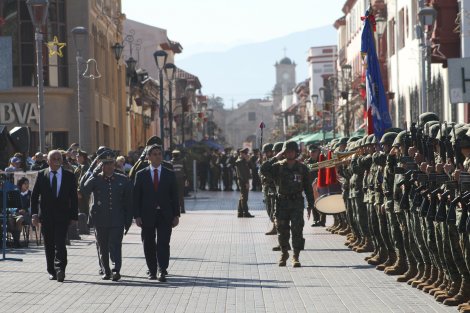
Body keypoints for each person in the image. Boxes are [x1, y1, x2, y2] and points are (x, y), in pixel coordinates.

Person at [79, 151, 133, 281]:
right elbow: (83, 190)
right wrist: (92, 171)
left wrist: (128, 220)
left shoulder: (122, 179)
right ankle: (106, 270)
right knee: (102, 246)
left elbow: (128, 202)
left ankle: (116, 269)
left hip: (117, 219)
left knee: (115, 244)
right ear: (101, 165)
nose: (109, 166)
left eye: (111, 163)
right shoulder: (96, 179)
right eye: (106, 164)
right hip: (100, 219)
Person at [260, 141, 314, 267]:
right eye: (287, 151)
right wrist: (276, 157)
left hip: (296, 203)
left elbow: (308, 188)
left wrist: (310, 204)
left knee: (297, 230)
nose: (289, 153)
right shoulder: (277, 167)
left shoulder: (302, 168)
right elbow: (263, 169)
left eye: (292, 151)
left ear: (296, 152)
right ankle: (284, 253)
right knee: (282, 230)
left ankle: (296, 256)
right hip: (281, 202)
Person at [133, 144, 180, 282]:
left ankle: (162, 270)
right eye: (154, 154)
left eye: (159, 154)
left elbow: (175, 196)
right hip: (147, 215)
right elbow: (136, 197)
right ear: (148, 157)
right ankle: (152, 270)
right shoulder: (141, 175)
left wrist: (176, 215)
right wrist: (137, 215)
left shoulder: (169, 174)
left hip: (165, 214)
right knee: (148, 243)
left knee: (163, 243)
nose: (157, 156)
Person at [31, 150, 78, 282]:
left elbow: (73, 198)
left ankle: (60, 269)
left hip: (63, 216)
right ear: (48, 161)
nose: (57, 160)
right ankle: (51, 270)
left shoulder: (69, 175)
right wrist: (34, 214)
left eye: (59, 158)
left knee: (60, 243)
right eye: (54, 158)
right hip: (46, 217)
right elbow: (34, 197)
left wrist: (74, 216)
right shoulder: (41, 174)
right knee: (49, 244)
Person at [234, 148, 254, 218]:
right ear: (242, 154)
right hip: (243, 181)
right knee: (245, 197)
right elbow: (242, 174)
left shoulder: (244, 161)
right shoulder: (239, 162)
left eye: (246, 154)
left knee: (242, 196)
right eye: (245, 154)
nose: (246, 155)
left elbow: (252, 167)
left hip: (244, 180)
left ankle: (240, 212)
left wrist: (248, 160)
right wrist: (246, 183)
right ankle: (246, 212)